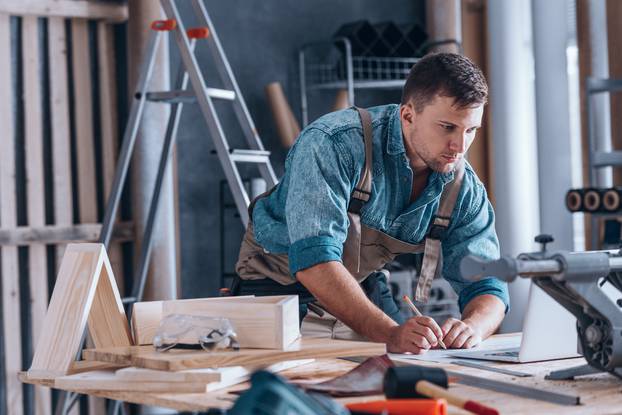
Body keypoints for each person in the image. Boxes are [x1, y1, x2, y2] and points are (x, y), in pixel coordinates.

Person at [233, 52, 509, 354]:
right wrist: (390, 333)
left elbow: (488, 284)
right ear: (408, 115)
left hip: (359, 283)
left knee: (411, 368)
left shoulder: (462, 187)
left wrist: (472, 328)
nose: (459, 147)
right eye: (447, 128)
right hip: (277, 282)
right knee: (284, 384)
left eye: (470, 130)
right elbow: (314, 261)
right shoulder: (332, 143)